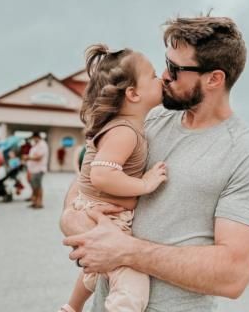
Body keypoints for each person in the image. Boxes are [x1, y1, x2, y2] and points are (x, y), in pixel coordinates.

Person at [61, 16, 249, 312]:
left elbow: (233, 275)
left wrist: (126, 251)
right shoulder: (144, 120)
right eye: (165, 63)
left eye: (175, 69)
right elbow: (88, 181)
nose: (164, 75)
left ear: (214, 78)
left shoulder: (248, 155)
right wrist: (72, 218)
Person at [58, 45, 167, 312]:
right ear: (133, 93)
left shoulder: (126, 128)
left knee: (95, 272)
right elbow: (102, 175)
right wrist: (145, 184)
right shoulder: (125, 132)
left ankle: (72, 308)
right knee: (133, 287)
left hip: (97, 212)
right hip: (105, 217)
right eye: (153, 75)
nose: (162, 78)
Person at [22, 132, 49, 209]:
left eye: (33, 138)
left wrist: (27, 158)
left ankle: (39, 203)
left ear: (37, 137)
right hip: (33, 170)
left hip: (38, 169)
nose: (33, 139)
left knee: (37, 187)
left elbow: (38, 157)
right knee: (34, 187)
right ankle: (34, 202)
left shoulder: (42, 145)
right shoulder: (36, 145)